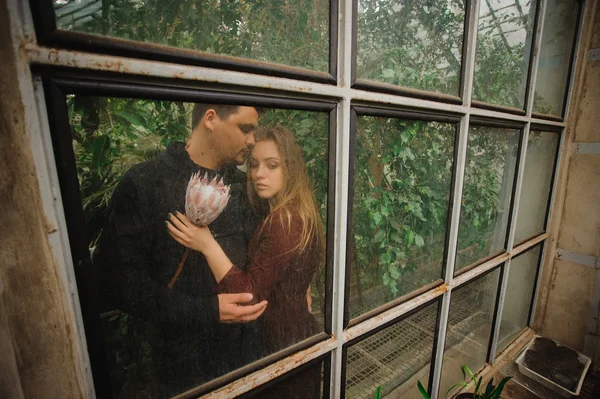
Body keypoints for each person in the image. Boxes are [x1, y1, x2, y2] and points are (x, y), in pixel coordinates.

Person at [94, 104, 267, 397]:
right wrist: (206, 311)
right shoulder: (146, 182)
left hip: (250, 358)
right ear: (210, 119)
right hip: (182, 372)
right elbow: (116, 283)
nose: (252, 140)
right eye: (245, 128)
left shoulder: (243, 186)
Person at [167, 126, 325, 398]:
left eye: (272, 165)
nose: (259, 174)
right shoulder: (296, 210)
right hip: (296, 335)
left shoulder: (284, 222)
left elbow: (249, 298)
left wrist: (207, 244)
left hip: (283, 347)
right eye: (254, 164)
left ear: (291, 168)